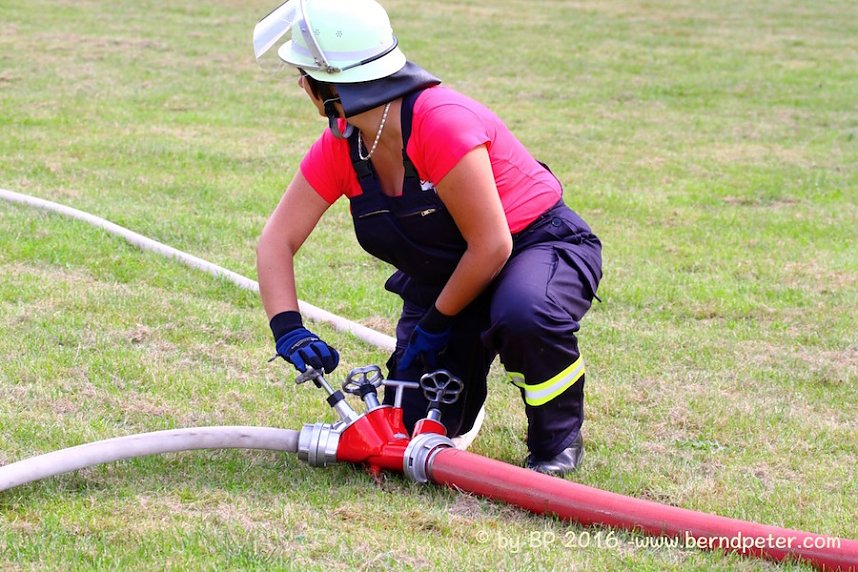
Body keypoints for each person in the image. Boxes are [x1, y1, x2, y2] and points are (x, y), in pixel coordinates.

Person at [253, 0, 602, 475]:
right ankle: (465, 398)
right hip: (447, 276)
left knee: (524, 313)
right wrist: (287, 328)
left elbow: (493, 246)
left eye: (304, 74)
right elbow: (276, 241)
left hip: (534, 248)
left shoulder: (440, 121)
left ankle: (555, 444)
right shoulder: (343, 145)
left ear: (331, 86)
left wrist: (436, 324)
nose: (300, 84)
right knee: (411, 422)